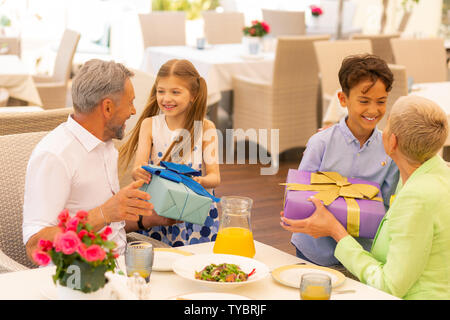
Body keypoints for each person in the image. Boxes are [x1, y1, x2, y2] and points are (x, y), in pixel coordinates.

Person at [281, 95, 450, 299]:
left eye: (386, 126)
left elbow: (388, 287)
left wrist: (337, 232)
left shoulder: (416, 199)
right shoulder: (437, 172)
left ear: (393, 141)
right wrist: (338, 137)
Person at [23, 59, 175, 261]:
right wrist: (104, 213)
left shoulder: (106, 147)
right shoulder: (55, 155)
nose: (133, 111)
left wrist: (147, 219)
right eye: (130, 102)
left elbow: (109, 223)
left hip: (121, 267)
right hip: (78, 279)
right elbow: (35, 248)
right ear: (108, 108)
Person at [291, 54, 399, 266]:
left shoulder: (389, 149)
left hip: (361, 253)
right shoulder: (321, 143)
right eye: (364, 101)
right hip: (315, 249)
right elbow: (300, 194)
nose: (373, 110)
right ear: (343, 99)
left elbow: (384, 205)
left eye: (381, 102)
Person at [119, 59, 221, 247]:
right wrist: (138, 173)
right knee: (162, 257)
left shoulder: (206, 128)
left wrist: (203, 181)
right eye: (161, 91)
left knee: (194, 260)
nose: (166, 98)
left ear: (194, 95)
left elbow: (215, 177)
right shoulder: (149, 125)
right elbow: (138, 168)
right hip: (160, 210)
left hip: (194, 213)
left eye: (175, 92)